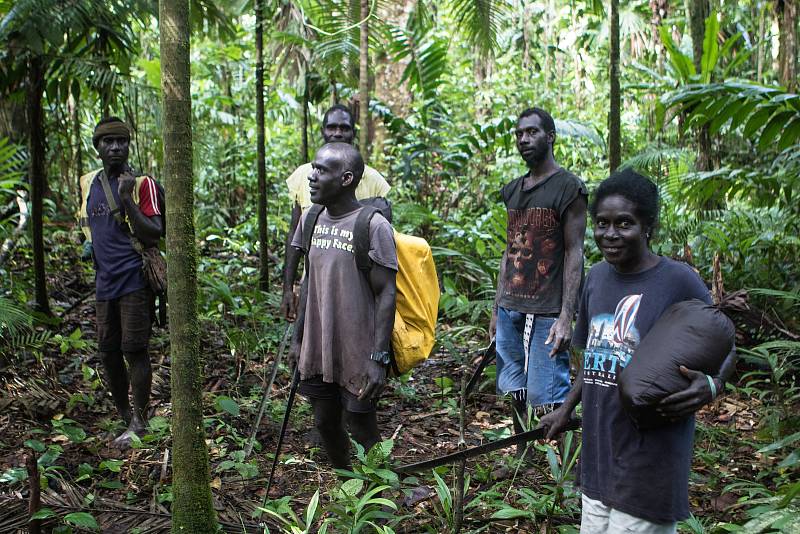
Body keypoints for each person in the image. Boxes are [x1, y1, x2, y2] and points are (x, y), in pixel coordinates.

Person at [538, 169, 737, 533]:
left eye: (624, 223)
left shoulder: (677, 280)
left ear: (648, 227)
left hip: (650, 462)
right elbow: (595, 355)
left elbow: (724, 338)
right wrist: (565, 409)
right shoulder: (596, 277)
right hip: (599, 459)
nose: (610, 235)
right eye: (602, 223)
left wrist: (714, 384)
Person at [288, 142, 397, 469]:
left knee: (361, 424)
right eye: (313, 168)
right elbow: (309, 280)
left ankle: (377, 490)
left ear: (347, 178)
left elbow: (387, 293)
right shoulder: (311, 219)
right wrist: (298, 338)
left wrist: (379, 358)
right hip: (319, 347)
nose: (312, 177)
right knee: (324, 422)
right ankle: (346, 483)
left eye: (322, 170)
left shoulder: (373, 226)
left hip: (359, 350)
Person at [490, 107, 588, 437]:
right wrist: (496, 306)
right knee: (513, 390)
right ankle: (522, 457)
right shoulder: (514, 190)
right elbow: (510, 249)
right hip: (510, 306)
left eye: (532, 132)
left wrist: (566, 316)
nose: (524, 139)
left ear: (550, 137)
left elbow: (575, 252)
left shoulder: (568, 188)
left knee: (548, 395)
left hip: (546, 309)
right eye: (519, 133)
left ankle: (564, 474)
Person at [78, 117, 163, 446]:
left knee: (134, 349)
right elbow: (89, 221)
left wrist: (127, 199)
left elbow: (155, 232)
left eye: (121, 142)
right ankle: (125, 417)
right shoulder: (90, 183)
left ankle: (140, 423)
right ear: (97, 147)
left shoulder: (143, 184)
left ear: (129, 145)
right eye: (108, 142)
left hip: (133, 279)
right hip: (104, 281)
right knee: (107, 351)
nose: (115, 148)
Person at [280, 104, 390, 322]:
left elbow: (383, 244)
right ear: (323, 131)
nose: (337, 133)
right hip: (315, 283)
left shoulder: (374, 180)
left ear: (353, 132)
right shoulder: (305, 175)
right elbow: (295, 234)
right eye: (331, 127)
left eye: (344, 127)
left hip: (360, 289)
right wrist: (287, 288)